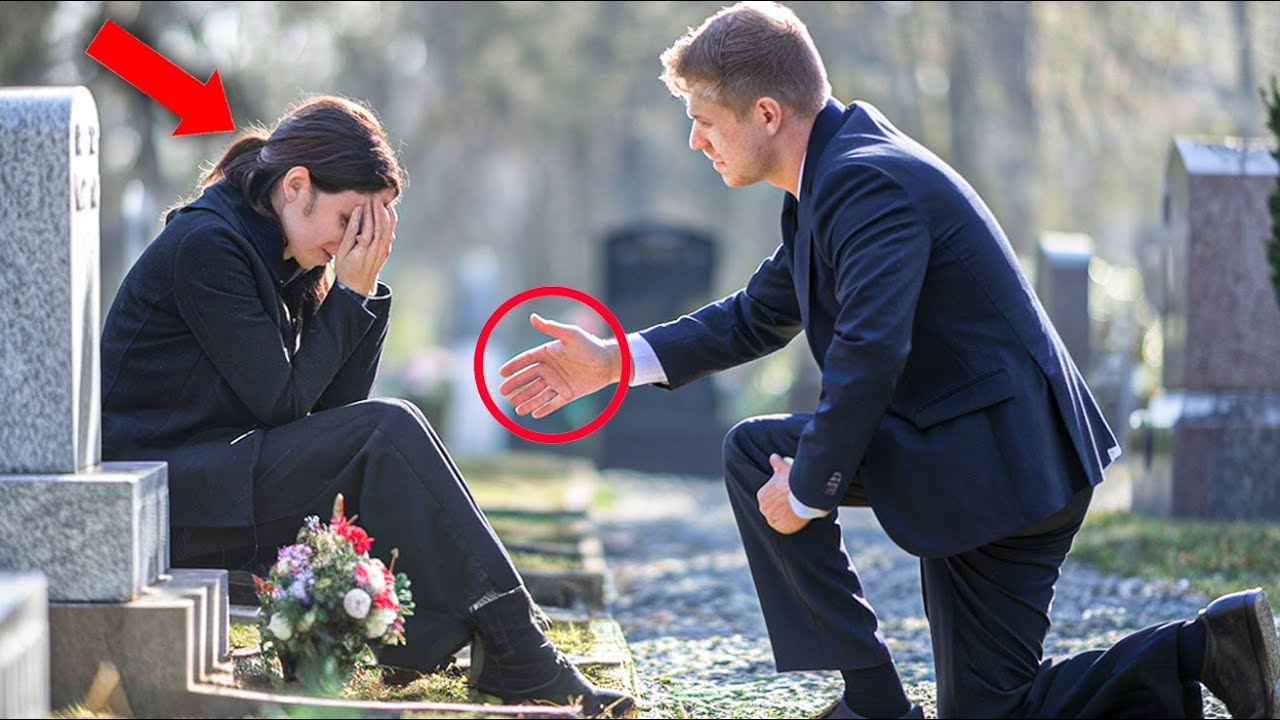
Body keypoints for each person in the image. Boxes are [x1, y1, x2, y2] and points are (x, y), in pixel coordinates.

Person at [497, 3, 1280, 718]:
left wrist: (807, 490)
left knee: (760, 458)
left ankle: (878, 703)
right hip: (971, 449)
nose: (695, 141)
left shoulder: (866, 182)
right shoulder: (830, 178)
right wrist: (613, 362)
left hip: (1005, 464)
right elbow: (756, 316)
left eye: (704, 120)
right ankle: (1206, 648)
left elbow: (871, 352)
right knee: (987, 709)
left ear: (766, 113)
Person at [100, 95, 632, 718]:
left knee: (388, 429)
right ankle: (513, 645)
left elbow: (331, 413)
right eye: (352, 218)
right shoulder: (208, 245)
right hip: (160, 495)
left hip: (213, 475)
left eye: (372, 226)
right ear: (296, 186)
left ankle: (504, 639)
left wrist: (363, 289)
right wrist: (349, 292)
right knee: (391, 424)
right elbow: (283, 405)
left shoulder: (275, 248)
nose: (356, 240)